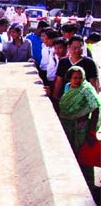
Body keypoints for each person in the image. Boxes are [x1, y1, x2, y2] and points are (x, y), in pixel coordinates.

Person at [58, 66, 100, 201]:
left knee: (84, 156)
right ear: (69, 78)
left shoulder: (86, 89)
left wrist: (92, 131)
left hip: (82, 128)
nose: (77, 80)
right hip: (67, 126)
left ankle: (89, 187)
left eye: (80, 77)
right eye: (75, 78)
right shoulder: (67, 87)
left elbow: (96, 108)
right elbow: (63, 104)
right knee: (70, 155)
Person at [53, 35, 99, 105]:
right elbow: (59, 81)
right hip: (66, 98)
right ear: (69, 47)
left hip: (83, 100)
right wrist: (55, 98)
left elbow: (94, 83)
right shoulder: (63, 61)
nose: (77, 50)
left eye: (80, 48)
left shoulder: (89, 62)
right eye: (75, 48)